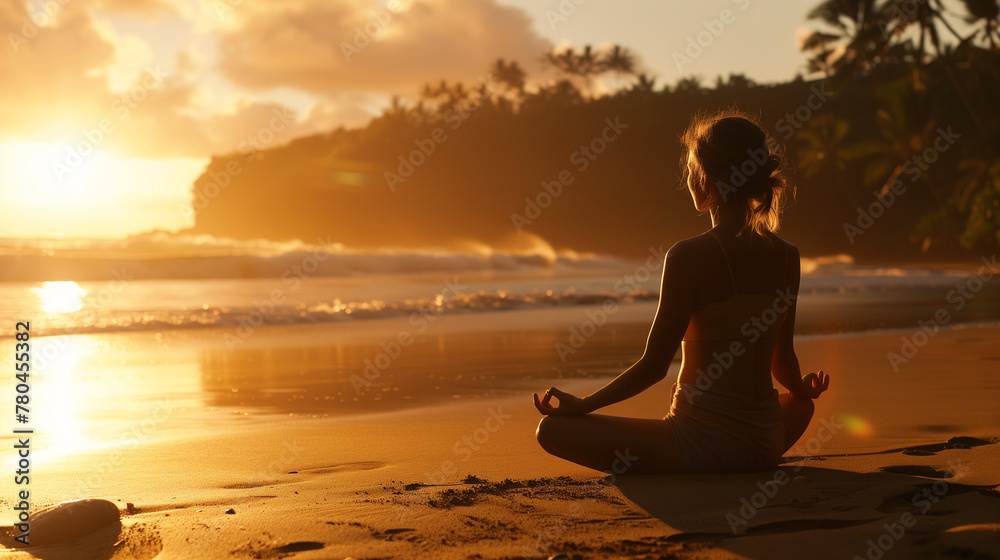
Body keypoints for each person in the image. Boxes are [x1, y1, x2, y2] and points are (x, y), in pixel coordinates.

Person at [533, 111, 830, 474]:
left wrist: (584, 405)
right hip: (765, 442)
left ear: (705, 177)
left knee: (550, 430)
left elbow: (654, 367)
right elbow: (783, 362)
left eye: (690, 168)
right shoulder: (787, 255)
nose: (687, 177)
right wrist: (802, 387)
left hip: (700, 445)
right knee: (801, 405)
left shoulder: (689, 255)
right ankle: (745, 450)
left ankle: (706, 458)